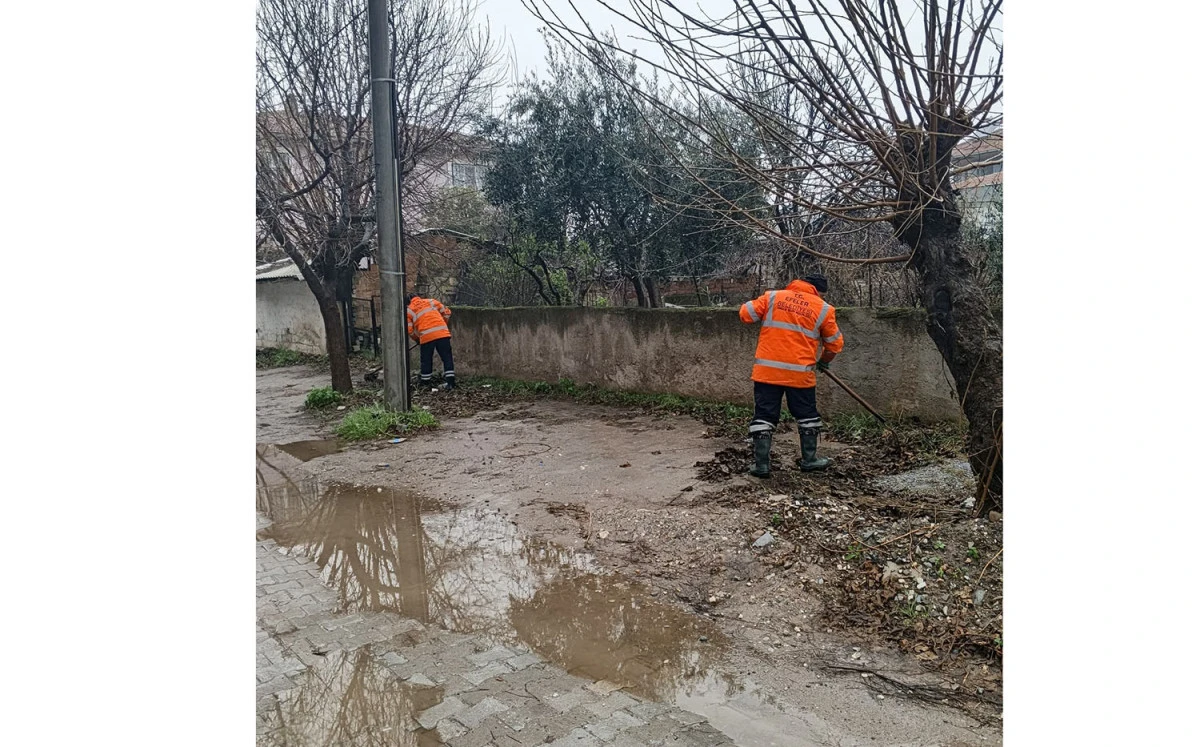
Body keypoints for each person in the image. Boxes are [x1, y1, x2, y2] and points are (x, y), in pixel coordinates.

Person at [738, 273, 845, 477]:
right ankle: (810, 460)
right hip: (800, 376)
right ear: (818, 291)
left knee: (764, 417)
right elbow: (835, 344)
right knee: (807, 416)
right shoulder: (823, 309)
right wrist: (824, 361)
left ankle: (761, 465)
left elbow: (745, 314)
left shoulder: (773, 297)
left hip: (767, 374)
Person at [406, 294, 456, 390]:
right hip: (442, 334)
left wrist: (417, 339)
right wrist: (442, 326)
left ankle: (425, 383)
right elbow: (447, 312)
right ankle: (450, 383)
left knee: (426, 360)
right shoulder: (431, 301)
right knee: (447, 358)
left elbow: (409, 330)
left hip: (426, 337)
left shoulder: (409, 310)